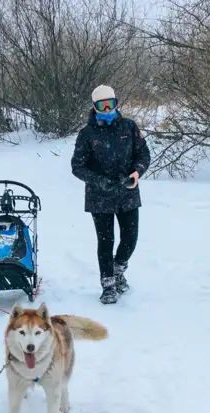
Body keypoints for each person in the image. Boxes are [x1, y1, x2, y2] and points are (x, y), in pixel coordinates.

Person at [70, 84, 150, 304]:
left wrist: (136, 173)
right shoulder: (87, 134)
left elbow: (143, 154)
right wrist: (98, 181)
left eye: (110, 104)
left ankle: (118, 270)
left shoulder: (129, 127)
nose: (107, 109)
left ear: (116, 103)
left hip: (128, 193)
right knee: (105, 241)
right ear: (94, 107)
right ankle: (108, 285)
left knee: (130, 239)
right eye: (101, 105)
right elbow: (77, 166)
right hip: (100, 197)